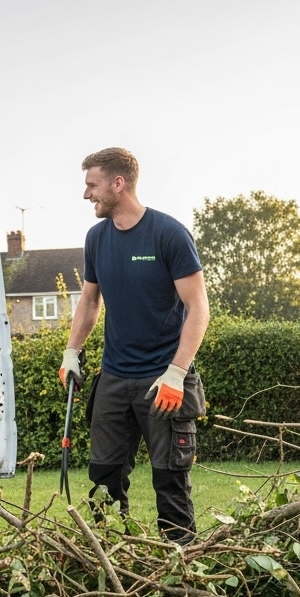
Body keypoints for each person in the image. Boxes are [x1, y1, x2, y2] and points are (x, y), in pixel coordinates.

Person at [60, 148, 210, 543]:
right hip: (114, 379)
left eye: (92, 185)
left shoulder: (168, 234)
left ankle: (183, 577)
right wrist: (71, 352)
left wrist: (177, 373)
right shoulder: (96, 239)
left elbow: (198, 308)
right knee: (103, 482)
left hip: (163, 379)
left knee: (170, 482)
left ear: (117, 183)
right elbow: (90, 302)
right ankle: (115, 570)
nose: (86, 194)